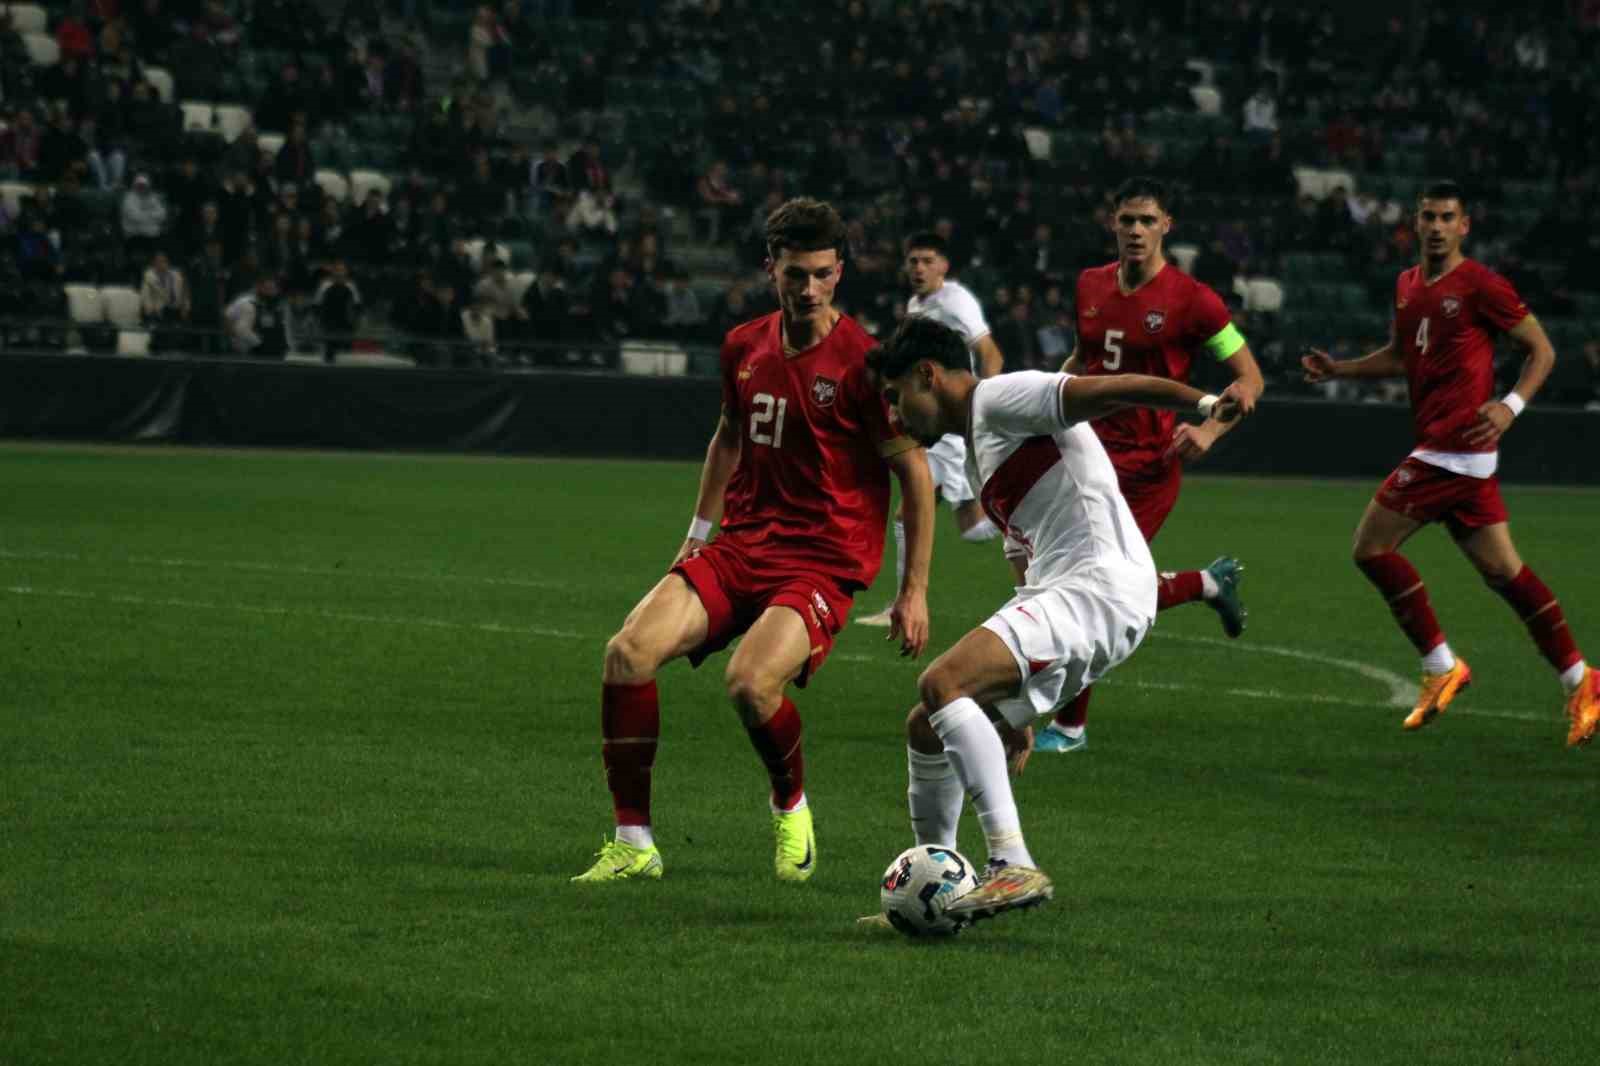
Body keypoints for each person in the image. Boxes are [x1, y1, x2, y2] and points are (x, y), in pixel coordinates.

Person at [573, 197, 936, 884]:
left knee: (749, 682)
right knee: (627, 654)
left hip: (823, 561)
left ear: (840, 273)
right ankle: (634, 843)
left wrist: (912, 590)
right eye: (795, 274)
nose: (808, 290)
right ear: (771, 268)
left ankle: (790, 804)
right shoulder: (743, 345)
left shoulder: (865, 362)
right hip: (741, 545)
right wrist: (695, 537)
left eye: (823, 274)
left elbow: (914, 472)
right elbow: (728, 439)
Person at [863, 315, 1247, 924]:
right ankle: (939, 889)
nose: (894, 416)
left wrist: (1203, 403)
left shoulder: (1000, 396)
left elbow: (1112, 388)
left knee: (942, 683)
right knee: (927, 726)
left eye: (894, 398)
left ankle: (1010, 861)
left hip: (1101, 585)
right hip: (1075, 595)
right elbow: (1024, 564)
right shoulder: (976, 458)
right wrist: (1020, 703)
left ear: (927, 375)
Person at [1302, 181, 1599, 746]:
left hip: (1453, 449)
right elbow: (1398, 357)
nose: (1436, 226)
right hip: (1454, 455)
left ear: (1465, 226)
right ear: (1415, 223)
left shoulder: (1481, 284)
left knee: (1370, 547)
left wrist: (1511, 406)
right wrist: (1339, 369)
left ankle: (1442, 666)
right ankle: (1581, 679)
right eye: (1428, 216)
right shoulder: (1408, 285)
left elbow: (1542, 349)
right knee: (1505, 574)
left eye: (1447, 217)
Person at [1036, 176, 1265, 755]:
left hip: (1148, 469)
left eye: (1147, 220)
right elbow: (1083, 360)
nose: (1135, 231)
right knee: (1082, 580)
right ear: (1112, 225)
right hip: (1086, 457)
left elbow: (1250, 378)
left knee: (1094, 585)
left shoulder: (1194, 301)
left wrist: (1211, 428)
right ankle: (1208, 583)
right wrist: (1049, 401)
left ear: (1167, 226)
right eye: (1126, 221)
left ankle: (1069, 726)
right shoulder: (1089, 284)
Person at [857, 231, 1003, 629]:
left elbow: (990, 352)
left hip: (950, 425)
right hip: (935, 424)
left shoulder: (955, 301)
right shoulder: (916, 304)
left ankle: (902, 605)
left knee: (908, 514)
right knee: (972, 526)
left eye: (927, 260)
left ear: (944, 266)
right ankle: (1029, 525)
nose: (919, 268)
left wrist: (983, 411)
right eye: (913, 261)